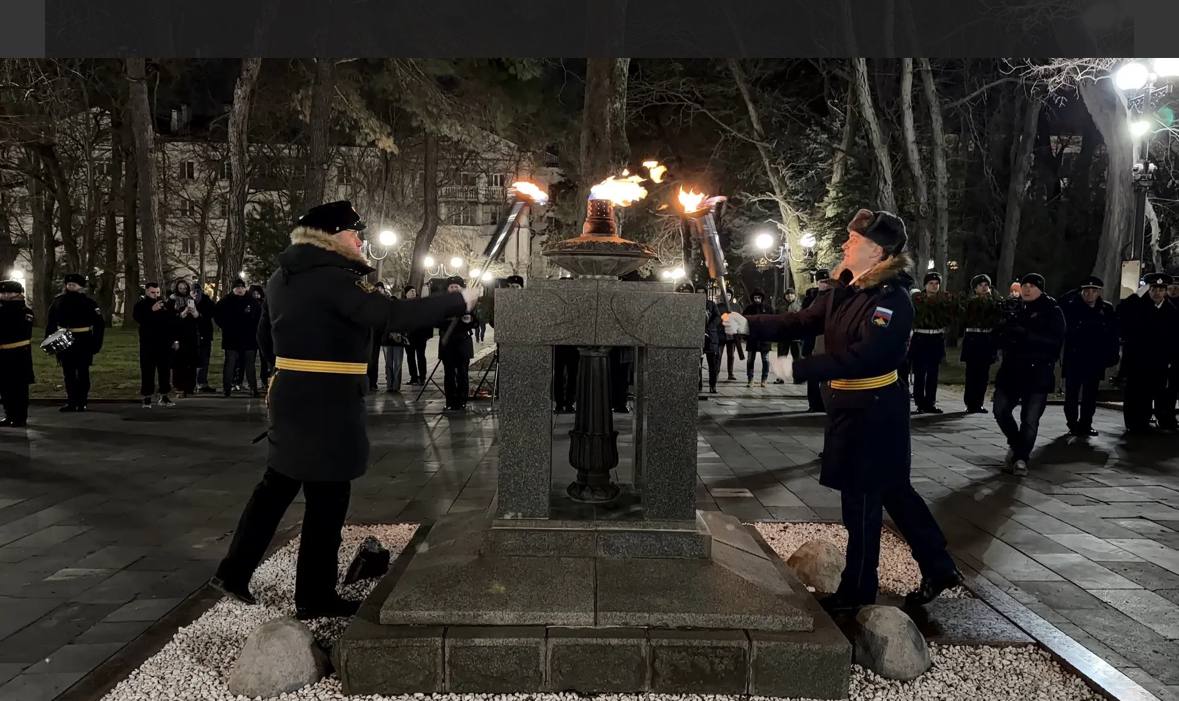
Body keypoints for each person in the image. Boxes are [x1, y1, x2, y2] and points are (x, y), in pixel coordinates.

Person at [211, 200, 477, 618]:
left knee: (275, 487)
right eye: (354, 233)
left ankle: (234, 571)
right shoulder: (333, 277)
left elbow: (266, 336)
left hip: (291, 392)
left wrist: (294, 370)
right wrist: (457, 302)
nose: (360, 240)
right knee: (328, 497)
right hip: (328, 401)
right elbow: (387, 315)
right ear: (331, 236)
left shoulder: (283, 277)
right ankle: (314, 598)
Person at [725, 208, 960, 615]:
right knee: (894, 493)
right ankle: (939, 567)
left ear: (879, 253)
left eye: (855, 241)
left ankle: (857, 592)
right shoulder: (845, 289)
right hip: (850, 407)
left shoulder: (893, 300)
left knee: (863, 501)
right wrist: (750, 324)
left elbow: (866, 357)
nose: (846, 244)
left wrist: (799, 369)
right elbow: (802, 320)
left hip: (875, 412)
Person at [992, 273, 1066, 475]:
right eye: (1024, 285)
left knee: (1030, 418)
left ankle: (1021, 459)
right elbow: (999, 335)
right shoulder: (1014, 307)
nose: (1027, 289)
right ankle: (1017, 445)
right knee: (1000, 409)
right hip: (1011, 371)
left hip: (1037, 372)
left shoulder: (1052, 310)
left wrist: (1026, 335)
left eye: (1032, 286)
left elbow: (1055, 341)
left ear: (1041, 289)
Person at [1060, 276, 1119, 437]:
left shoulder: (1106, 309)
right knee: (1072, 394)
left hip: (1095, 359)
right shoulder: (1072, 307)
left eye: (1094, 291)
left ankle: (1086, 424)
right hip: (1075, 358)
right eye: (1086, 291)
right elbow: (1060, 303)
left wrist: (1112, 355)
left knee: (1090, 395)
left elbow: (1112, 333)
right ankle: (1072, 423)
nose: (1089, 294)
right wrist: (1074, 292)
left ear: (1099, 292)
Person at [1120, 273, 1179, 433]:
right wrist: (1138, 293)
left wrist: (1171, 359)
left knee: (1158, 391)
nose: (1157, 293)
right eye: (1153, 289)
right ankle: (1135, 423)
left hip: (1159, 361)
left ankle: (1155, 420)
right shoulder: (1138, 306)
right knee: (1137, 393)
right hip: (1138, 360)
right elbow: (1122, 311)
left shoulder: (1172, 311)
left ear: (1165, 291)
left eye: (1161, 289)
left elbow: (1174, 338)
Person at [45, 273, 105, 412]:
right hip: (64, 338)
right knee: (68, 372)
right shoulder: (58, 301)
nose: (71, 286)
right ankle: (72, 401)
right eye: (69, 284)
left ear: (81, 287)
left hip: (83, 339)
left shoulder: (89, 303)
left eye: (74, 284)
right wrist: (49, 340)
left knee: (83, 372)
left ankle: (82, 401)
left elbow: (99, 324)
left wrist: (96, 343)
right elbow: (51, 322)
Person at [132, 283, 178, 407]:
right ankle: (147, 396)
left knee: (164, 370)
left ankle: (164, 395)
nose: (156, 295)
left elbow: (172, 322)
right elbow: (139, 318)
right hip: (148, 343)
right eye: (153, 292)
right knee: (148, 370)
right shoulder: (140, 306)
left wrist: (174, 340)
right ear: (147, 291)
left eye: (157, 292)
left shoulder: (165, 305)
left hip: (164, 343)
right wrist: (151, 310)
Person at [960, 274, 999, 414]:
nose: (984, 288)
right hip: (973, 339)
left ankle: (979, 403)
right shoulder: (970, 303)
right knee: (972, 373)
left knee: (983, 374)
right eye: (981, 285)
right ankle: (970, 403)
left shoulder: (994, 303)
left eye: (986, 285)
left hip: (986, 340)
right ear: (975, 288)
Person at [438, 275, 478, 411]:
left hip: (463, 342)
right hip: (447, 343)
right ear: (448, 289)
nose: (454, 288)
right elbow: (437, 320)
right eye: (452, 286)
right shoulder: (442, 303)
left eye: (457, 286)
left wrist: (470, 319)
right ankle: (450, 401)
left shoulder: (468, 303)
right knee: (449, 374)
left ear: (461, 288)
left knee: (462, 373)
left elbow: (476, 320)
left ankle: (462, 401)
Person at [215, 279, 261, 397]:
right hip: (232, 337)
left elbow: (259, 317)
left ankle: (253, 388)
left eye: (242, 287)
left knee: (249, 364)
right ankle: (227, 388)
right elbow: (217, 316)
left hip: (249, 337)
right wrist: (225, 326)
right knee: (230, 363)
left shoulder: (252, 301)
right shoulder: (225, 301)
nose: (240, 290)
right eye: (237, 288)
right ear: (233, 289)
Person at [910, 271, 948, 414]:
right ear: (925, 285)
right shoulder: (918, 300)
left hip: (936, 338)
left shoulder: (943, 300)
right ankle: (920, 403)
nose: (934, 286)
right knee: (920, 373)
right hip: (921, 338)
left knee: (933, 373)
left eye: (936, 283)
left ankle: (930, 402)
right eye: (931, 283)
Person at [0, 279, 34, 427]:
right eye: (2, 293)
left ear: (18, 294)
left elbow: (16, 329)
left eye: (9, 292)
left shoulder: (24, 311)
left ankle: (20, 417)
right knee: (4, 387)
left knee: (19, 387)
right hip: (2, 353)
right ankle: (9, 414)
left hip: (19, 353)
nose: (5, 295)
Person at [800, 271, 831, 412]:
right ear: (817, 282)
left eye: (826, 281)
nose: (824, 284)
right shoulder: (810, 297)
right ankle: (814, 404)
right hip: (811, 340)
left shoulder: (835, 297)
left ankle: (825, 402)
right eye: (821, 281)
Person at [170, 279, 202, 397]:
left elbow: (199, 319)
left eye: (185, 288)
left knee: (191, 363)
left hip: (191, 336)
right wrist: (181, 314)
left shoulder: (191, 300)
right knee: (179, 363)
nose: (183, 290)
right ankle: (179, 386)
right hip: (178, 336)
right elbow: (171, 320)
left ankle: (190, 386)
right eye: (181, 288)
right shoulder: (172, 301)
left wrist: (195, 314)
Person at [743, 288, 772, 387]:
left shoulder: (768, 308)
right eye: (755, 297)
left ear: (762, 298)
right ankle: (750, 379)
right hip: (752, 338)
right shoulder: (749, 308)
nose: (757, 299)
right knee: (750, 359)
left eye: (759, 297)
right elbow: (744, 322)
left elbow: (773, 321)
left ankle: (764, 379)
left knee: (765, 359)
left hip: (765, 338)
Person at [192, 282, 218, 393]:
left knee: (204, 360)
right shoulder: (190, 301)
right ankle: (195, 383)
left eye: (198, 291)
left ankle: (201, 383)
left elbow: (211, 313)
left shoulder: (207, 302)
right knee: (196, 360)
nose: (196, 294)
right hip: (193, 334)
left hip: (204, 334)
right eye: (194, 292)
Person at [773, 289, 802, 384]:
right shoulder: (780, 306)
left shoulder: (799, 306)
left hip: (796, 336)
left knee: (797, 358)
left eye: (791, 294)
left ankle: (798, 378)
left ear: (795, 295)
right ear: (785, 296)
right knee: (781, 357)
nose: (789, 296)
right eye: (788, 294)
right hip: (783, 335)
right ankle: (780, 377)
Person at [404, 286, 431, 386]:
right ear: (406, 293)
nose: (413, 293)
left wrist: (427, 334)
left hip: (420, 336)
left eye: (414, 291)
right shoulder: (403, 305)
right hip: (408, 336)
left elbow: (427, 319)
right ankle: (413, 377)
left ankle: (422, 377)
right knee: (410, 357)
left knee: (420, 356)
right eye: (411, 291)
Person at [366, 282, 388, 391]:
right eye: (377, 288)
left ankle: (373, 383)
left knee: (374, 359)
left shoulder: (385, 302)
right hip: (369, 334)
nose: (379, 290)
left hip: (378, 335)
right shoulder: (370, 303)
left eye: (381, 289)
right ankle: (368, 382)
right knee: (369, 359)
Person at [250, 284, 273, 386]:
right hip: (252, 335)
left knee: (265, 359)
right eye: (254, 293)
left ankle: (264, 379)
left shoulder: (263, 303)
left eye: (257, 293)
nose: (256, 295)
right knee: (251, 360)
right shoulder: (251, 303)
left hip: (263, 335)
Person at [719, 289, 743, 381]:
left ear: (731, 296)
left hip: (732, 335)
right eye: (725, 295)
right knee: (719, 355)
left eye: (729, 295)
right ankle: (716, 372)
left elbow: (740, 318)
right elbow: (717, 318)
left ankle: (730, 373)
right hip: (721, 334)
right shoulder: (719, 306)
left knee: (731, 355)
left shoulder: (736, 306)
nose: (727, 296)